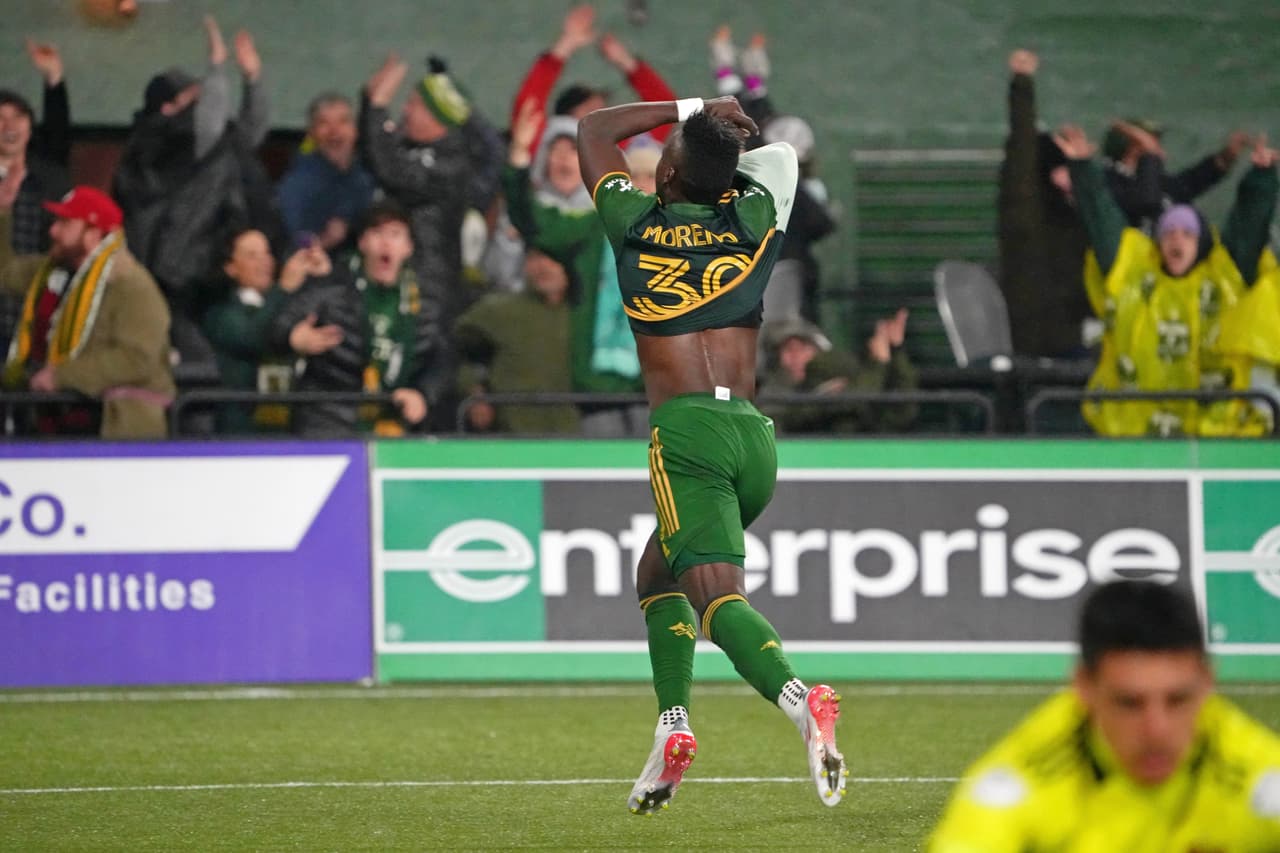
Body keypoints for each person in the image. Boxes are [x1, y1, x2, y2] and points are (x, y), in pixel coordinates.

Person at [577, 95, 847, 815]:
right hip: (754, 438)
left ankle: (801, 698)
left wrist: (691, 108)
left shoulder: (632, 222)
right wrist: (716, 148)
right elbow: (775, 158)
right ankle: (672, 725)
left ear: (664, 175)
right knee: (656, 569)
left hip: (688, 434)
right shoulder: (755, 217)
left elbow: (594, 129)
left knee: (717, 597)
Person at [928, 579, 1280, 851]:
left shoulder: (1263, 779)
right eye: (1129, 703)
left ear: (1207, 682)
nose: (1157, 730)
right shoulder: (1016, 787)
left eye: (1177, 700)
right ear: (1084, 687)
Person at [1055, 126, 1279, 436]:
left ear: (1201, 243)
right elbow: (1102, 220)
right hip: (1137, 436)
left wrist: (1262, 178)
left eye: (1188, 234)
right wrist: (1082, 168)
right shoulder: (1134, 275)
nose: (1178, 240)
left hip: (1215, 435)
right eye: (1169, 233)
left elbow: (1248, 228)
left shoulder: (1225, 275)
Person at [112, 15, 275, 315]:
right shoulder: (156, 144)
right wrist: (216, 68)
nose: (203, 106)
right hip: (172, 271)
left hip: (201, 268)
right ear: (166, 107)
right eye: (193, 99)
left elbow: (245, 136)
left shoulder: (207, 148)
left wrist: (252, 79)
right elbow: (211, 133)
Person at [503, 99, 645, 438]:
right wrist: (519, 158)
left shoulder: (673, 233)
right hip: (594, 388)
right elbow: (533, 223)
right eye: (635, 176)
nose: (644, 184)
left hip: (656, 385)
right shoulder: (589, 229)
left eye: (652, 176)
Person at [0, 178, 173, 438]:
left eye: (65, 223)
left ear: (93, 235)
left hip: (117, 429)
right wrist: (2, 212)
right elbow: (4, 273)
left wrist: (62, 376)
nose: (53, 231)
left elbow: (137, 359)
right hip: (54, 421)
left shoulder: (132, 285)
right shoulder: (51, 271)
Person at [269, 200, 452, 437]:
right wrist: (293, 338)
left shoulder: (427, 300)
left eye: (395, 234)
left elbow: (444, 359)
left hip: (394, 426)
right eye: (377, 233)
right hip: (328, 422)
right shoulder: (333, 285)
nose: (386, 242)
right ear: (362, 242)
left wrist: (423, 394)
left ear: (409, 247)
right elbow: (274, 330)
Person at [360, 53, 503, 331]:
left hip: (428, 292)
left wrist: (377, 108)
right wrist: (368, 102)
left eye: (413, 103)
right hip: (392, 280)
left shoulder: (451, 164)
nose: (405, 110)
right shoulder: (408, 147)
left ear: (435, 115)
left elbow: (392, 171)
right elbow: (373, 155)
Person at [997, 49, 1092, 359]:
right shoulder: (1024, 211)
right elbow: (1022, 150)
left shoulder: (1080, 217)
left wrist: (1083, 168)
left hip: (1076, 344)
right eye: (1062, 169)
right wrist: (1022, 85)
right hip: (1034, 347)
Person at [201, 228, 328, 434]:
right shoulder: (221, 316)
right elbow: (255, 336)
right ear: (231, 267)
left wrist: (324, 279)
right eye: (252, 255)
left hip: (292, 434)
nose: (264, 261)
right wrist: (283, 289)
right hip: (241, 437)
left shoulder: (287, 306)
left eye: (267, 253)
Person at [510, 3, 677, 161]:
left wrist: (625, 61)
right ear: (564, 121)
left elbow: (666, 109)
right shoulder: (550, 153)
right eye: (590, 110)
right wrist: (565, 45)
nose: (602, 115)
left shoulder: (625, 150)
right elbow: (527, 108)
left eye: (604, 109)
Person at [453, 247, 578, 435]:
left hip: (582, 438)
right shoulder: (498, 311)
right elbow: (454, 351)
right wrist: (474, 393)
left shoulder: (589, 315)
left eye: (553, 258)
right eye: (534, 257)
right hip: (511, 437)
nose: (542, 266)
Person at [0, 38, 73, 359]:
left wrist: (53, 80)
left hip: (36, 307)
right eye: (0, 119)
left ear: (30, 128)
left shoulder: (47, 178)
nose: (9, 126)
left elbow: (59, 137)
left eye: (18, 118)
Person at [758, 311, 918, 434]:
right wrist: (877, 362)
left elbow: (901, 411)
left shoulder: (841, 379)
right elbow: (856, 398)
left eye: (804, 349)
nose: (796, 358)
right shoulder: (773, 393)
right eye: (788, 350)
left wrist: (896, 351)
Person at [1103, 117, 1251, 229]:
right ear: (1133, 149)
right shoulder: (1107, 183)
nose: (1162, 154)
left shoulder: (1158, 182)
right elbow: (1146, 202)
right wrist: (1151, 157)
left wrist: (1228, 155)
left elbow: (1193, 180)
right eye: (1152, 145)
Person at [275, 93, 376, 253]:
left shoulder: (371, 173)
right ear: (312, 133)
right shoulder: (296, 184)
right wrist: (323, 241)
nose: (334, 131)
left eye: (343, 121)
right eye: (324, 123)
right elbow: (290, 240)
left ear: (355, 130)